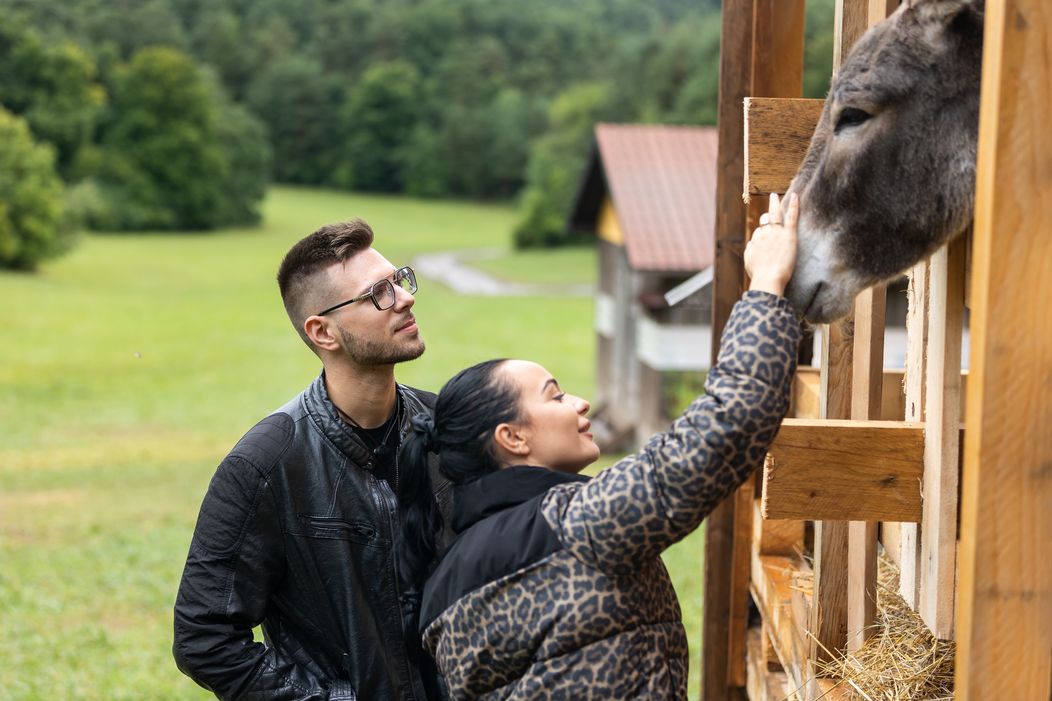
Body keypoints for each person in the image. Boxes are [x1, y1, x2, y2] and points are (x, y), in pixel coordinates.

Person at [396, 193, 802, 700]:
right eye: (556, 395)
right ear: (512, 438)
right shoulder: (573, 523)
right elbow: (726, 428)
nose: (581, 403)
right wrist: (766, 284)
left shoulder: (445, 582)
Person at [173, 218, 452, 700]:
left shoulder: (448, 432)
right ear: (323, 332)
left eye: (399, 281)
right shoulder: (264, 465)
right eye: (378, 293)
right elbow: (205, 637)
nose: (404, 298)